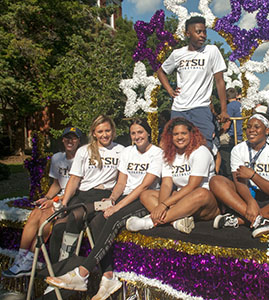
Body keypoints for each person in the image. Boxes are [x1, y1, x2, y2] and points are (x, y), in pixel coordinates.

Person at [45, 119, 163, 300]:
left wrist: (116, 206)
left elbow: (142, 187)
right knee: (95, 221)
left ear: (148, 133)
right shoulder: (127, 152)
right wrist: (112, 199)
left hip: (142, 198)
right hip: (117, 196)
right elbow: (121, 182)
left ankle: (82, 273)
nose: (137, 136)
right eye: (133, 133)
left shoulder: (153, 153)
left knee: (110, 219)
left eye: (140, 132)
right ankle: (107, 276)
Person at [1, 127, 82, 278]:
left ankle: (30, 259)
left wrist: (54, 201)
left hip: (73, 198)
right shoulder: (58, 158)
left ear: (79, 141)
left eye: (74, 138)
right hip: (58, 197)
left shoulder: (83, 158)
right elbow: (56, 184)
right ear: (62, 140)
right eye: (67, 138)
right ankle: (21, 257)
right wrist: (47, 198)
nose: (70, 141)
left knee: (46, 217)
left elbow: (77, 188)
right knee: (36, 213)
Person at [210, 113, 269, 238]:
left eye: (256, 127)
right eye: (248, 127)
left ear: (267, 130)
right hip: (244, 196)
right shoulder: (238, 149)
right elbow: (239, 183)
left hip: (268, 198)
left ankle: (241, 220)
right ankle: (258, 220)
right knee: (216, 181)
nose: (251, 130)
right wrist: (250, 201)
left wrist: (253, 175)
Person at [49, 115, 124, 264]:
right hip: (83, 195)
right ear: (94, 133)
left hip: (103, 195)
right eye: (100, 131)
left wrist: (113, 198)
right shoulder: (84, 151)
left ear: (113, 131)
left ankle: (66, 265)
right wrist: (64, 202)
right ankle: (54, 269)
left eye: (107, 130)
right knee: (58, 227)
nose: (104, 135)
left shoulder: (121, 150)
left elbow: (122, 181)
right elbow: (74, 179)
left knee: (76, 216)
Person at [126, 117, 220, 234]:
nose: (179, 137)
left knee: (201, 193)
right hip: (180, 200)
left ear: (191, 134)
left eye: (183, 133)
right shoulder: (169, 154)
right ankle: (175, 222)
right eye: (175, 134)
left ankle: (149, 222)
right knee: (146, 194)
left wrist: (165, 204)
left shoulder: (201, 151)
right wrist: (161, 206)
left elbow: (192, 186)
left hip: (203, 202)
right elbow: (166, 184)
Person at [156, 16, 229, 149]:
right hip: (179, 109)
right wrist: (169, 90)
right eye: (198, 32)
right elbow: (161, 72)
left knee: (204, 147)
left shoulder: (211, 51)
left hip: (201, 108)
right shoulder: (178, 54)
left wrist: (224, 110)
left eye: (204, 32)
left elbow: (219, 81)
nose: (202, 35)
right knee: (178, 147)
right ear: (188, 34)